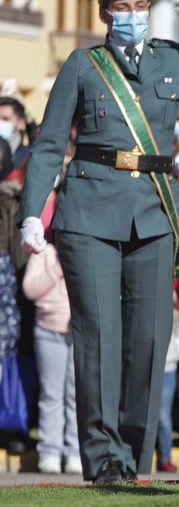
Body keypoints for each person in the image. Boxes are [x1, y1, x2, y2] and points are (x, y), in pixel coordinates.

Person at [17, 0, 179, 485]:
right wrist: (33, 211)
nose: (132, 19)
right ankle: (104, 462)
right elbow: (51, 144)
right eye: (122, 11)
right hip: (89, 211)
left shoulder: (172, 59)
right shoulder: (83, 65)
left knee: (149, 339)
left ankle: (135, 460)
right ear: (104, 14)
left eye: (141, 10)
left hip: (154, 213)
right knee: (98, 335)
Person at [21, 204, 78, 476]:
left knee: (77, 395)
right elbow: (30, 289)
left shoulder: (83, 253)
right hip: (48, 332)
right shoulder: (44, 253)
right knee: (51, 395)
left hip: (77, 333)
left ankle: (75, 451)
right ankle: (50, 452)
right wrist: (57, 268)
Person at [157, 298, 179, 474]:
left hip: (167, 369)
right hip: (141, 368)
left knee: (163, 416)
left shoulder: (174, 311)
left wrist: (173, 354)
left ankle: (165, 458)